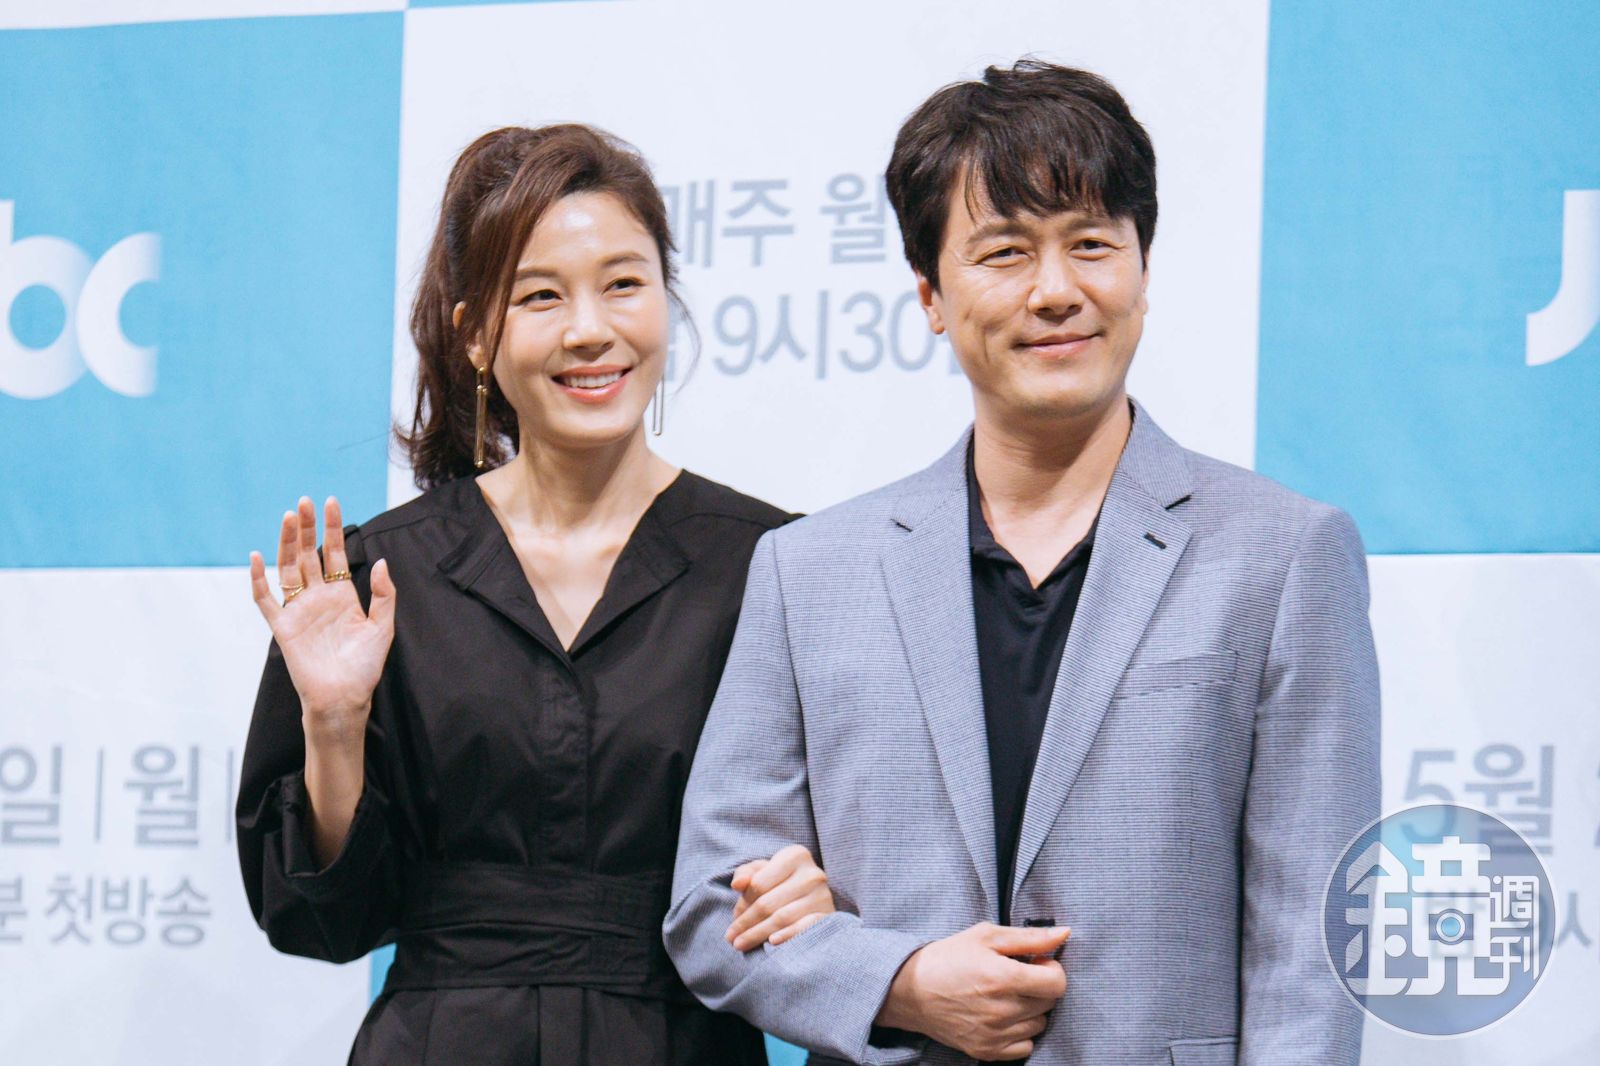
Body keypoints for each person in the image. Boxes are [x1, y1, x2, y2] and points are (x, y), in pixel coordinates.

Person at [666, 62, 1380, 1066]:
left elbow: (1312, 948)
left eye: (1091, 244)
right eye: (1004, 252)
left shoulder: (1282, 555)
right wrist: (900, 983)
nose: (1055, 291)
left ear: (1141, 269)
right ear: (930, 294)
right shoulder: (808, 570)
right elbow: (711, 906)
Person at [235, 123, 836, 1065]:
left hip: (680, 1040)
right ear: (477, 335)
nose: (590, 328)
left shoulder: (777, 566)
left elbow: (855, 844)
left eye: (624, 284)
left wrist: (816, 883)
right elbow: (323, 921)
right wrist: (336, 726)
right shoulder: (380, 578)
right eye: (541, 295)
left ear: (667, 304)